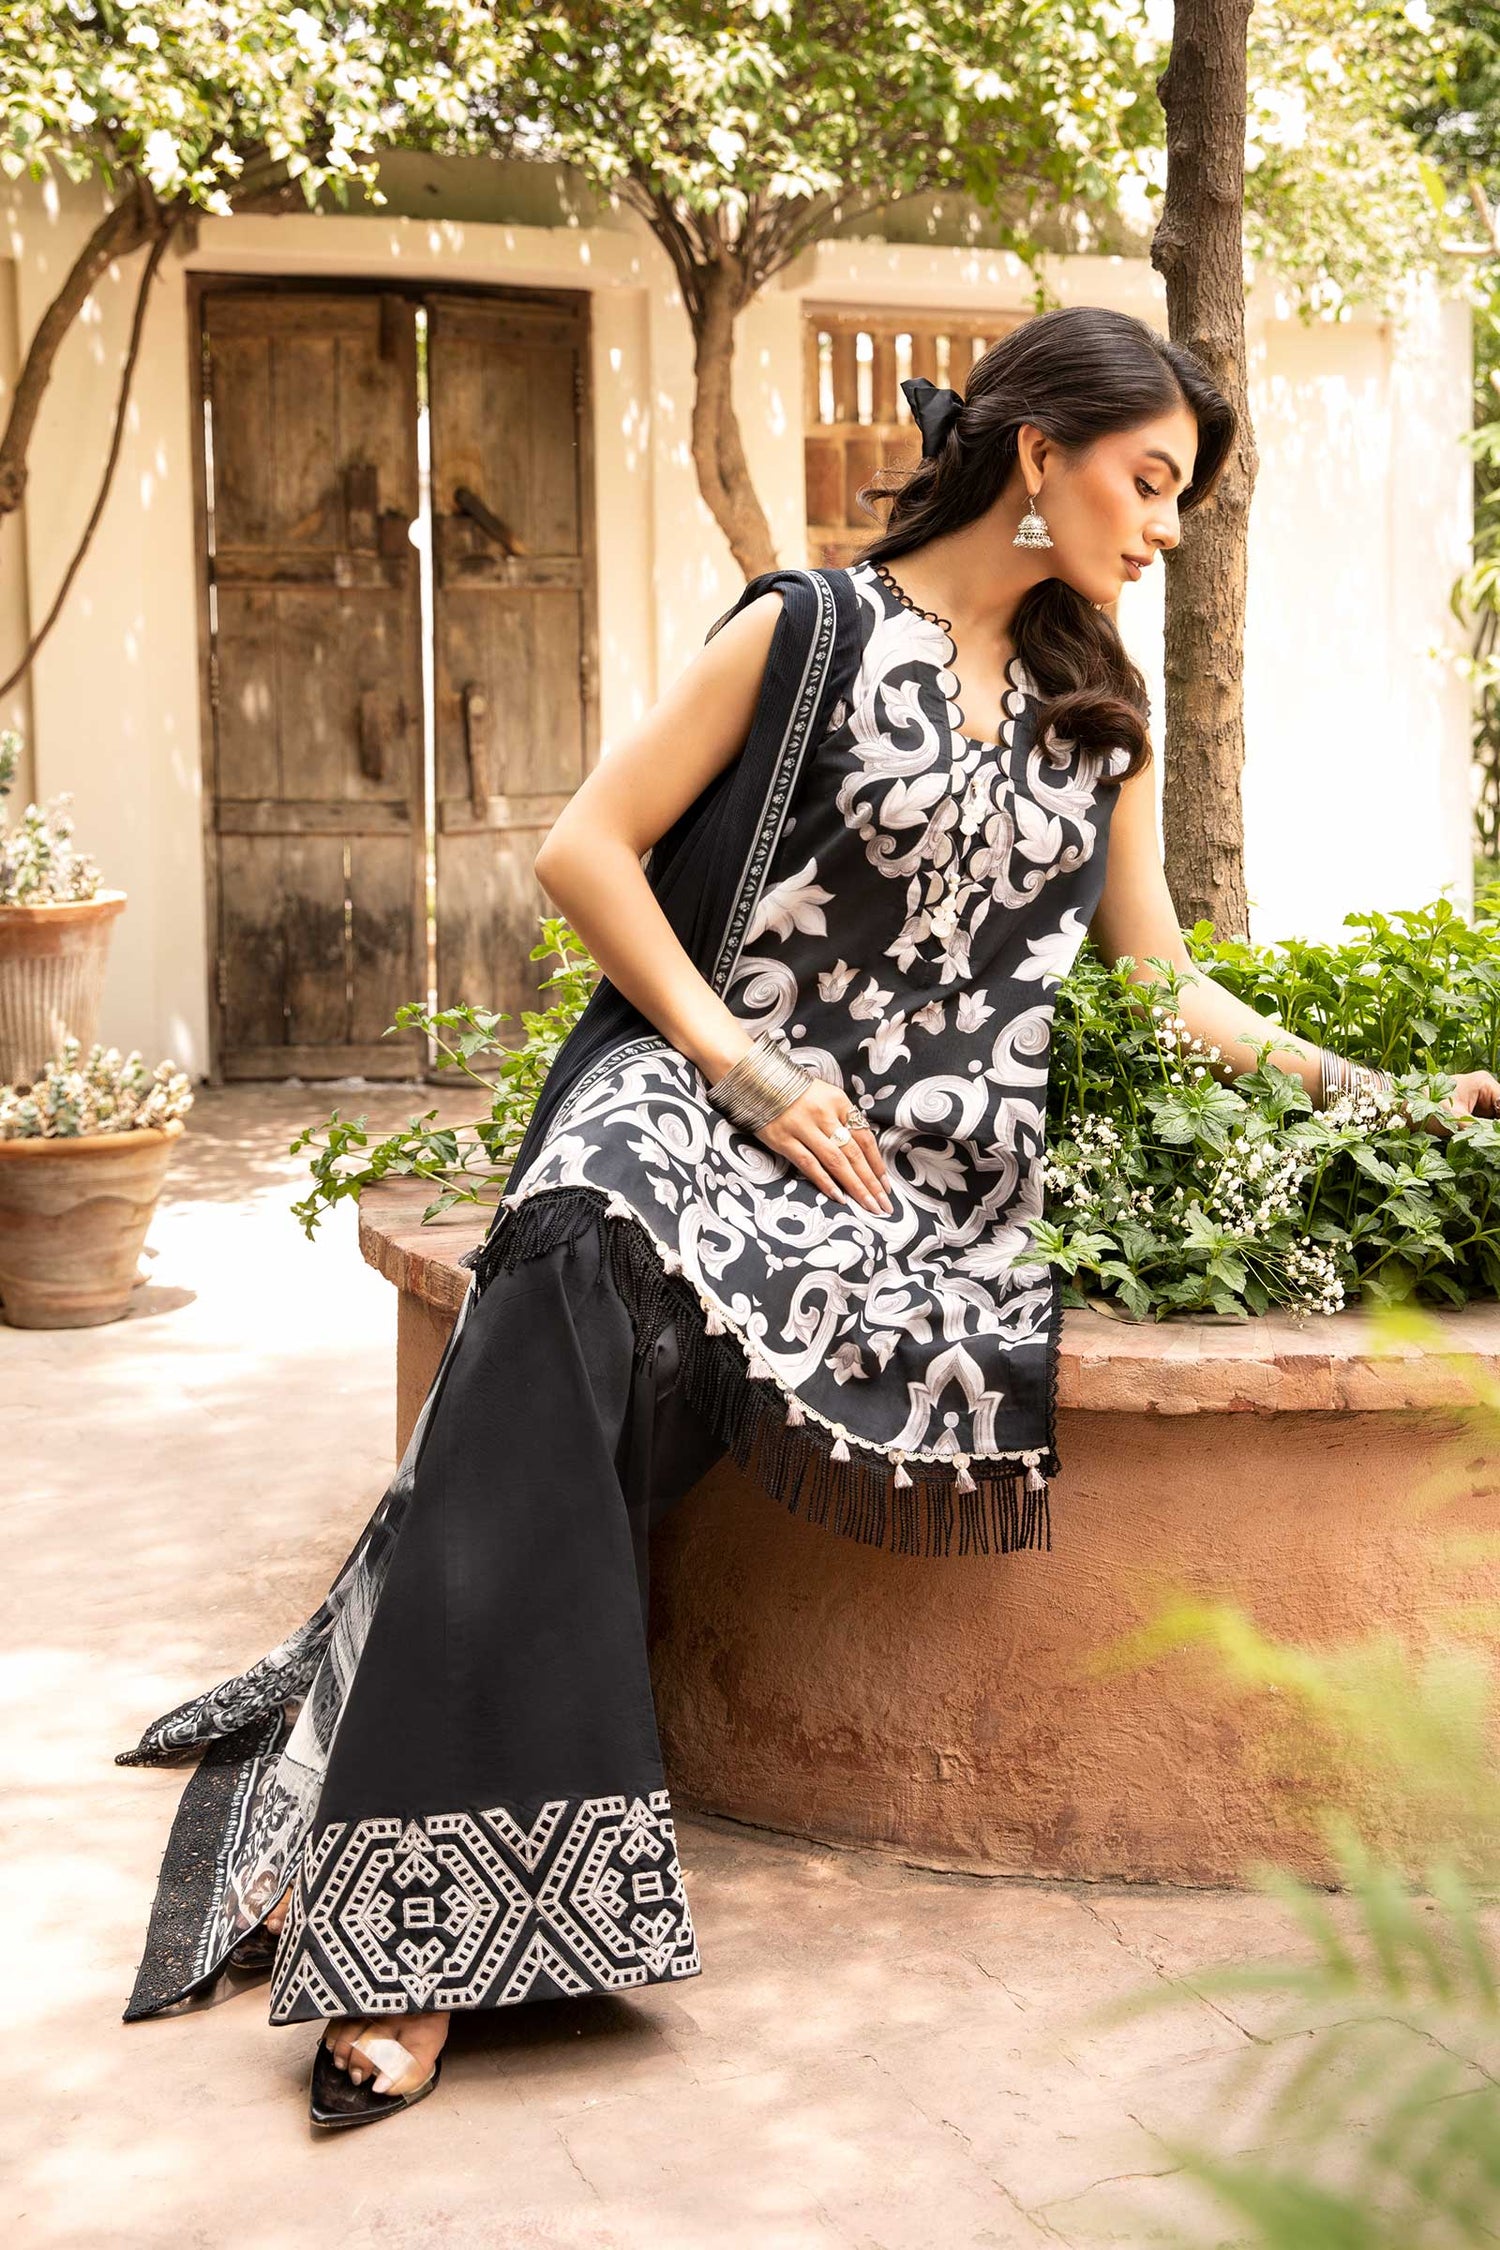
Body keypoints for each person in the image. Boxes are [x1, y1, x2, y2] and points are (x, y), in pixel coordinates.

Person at [118, 304, 1500, 2127]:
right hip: (707, 1091)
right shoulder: (810, 628)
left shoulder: (1102, 719)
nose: (1169, 529)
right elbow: (585, 847)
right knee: (573, 1251)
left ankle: (365, 1813)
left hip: (912, 1186)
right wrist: (745, 1068)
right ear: (1039, 454)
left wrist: (1387, 1094)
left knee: (577, 1365)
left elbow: (1164, 984)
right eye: (1152, 481)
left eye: (1186, 500)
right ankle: (431, 1915)